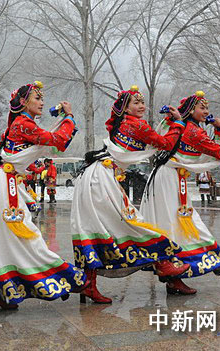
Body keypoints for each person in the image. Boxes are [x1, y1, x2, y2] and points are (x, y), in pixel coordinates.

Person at [0, 81, 87, 312]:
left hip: (0, 183)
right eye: (37, 98)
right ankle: (60, 277)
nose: (42, 102)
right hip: (2, 186)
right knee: (21, 236)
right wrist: (68, 117)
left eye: (42, 98)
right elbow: (58, 141)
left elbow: (52, 140)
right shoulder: (23, 123)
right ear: (23, 102)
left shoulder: (21, 123)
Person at [71, 86, 190, 304]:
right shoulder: (135, 124)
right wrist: (179, 123)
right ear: (125, 107)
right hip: (101, 179)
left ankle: (89, 285)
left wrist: (169, 124)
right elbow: (165, 143)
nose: (142, 106)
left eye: (142, 102)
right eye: (136, 103)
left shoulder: (121, 123)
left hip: (96, 176)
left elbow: (151, 139)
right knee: (132, 222)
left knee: (96, 229)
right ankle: (163, 265)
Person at [141, 90, 220, 295]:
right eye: (202, 108)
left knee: (182, 223)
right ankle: (188, 273)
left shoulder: (183, 125)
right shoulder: (193, 131)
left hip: (168, 177)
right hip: (168, 179)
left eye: (207, 108)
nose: (206, 112)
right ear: (190, 110)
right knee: (174, 225)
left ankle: (212, 261)